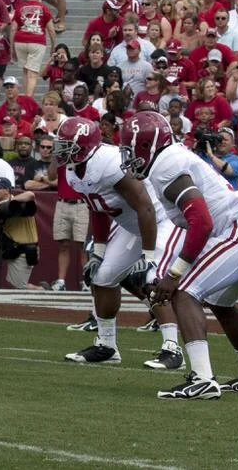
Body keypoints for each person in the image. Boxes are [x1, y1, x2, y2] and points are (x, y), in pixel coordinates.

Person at [122, 111, 238, 399]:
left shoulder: (165, 165)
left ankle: (202, 378)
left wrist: (173, 276)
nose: (128, 156)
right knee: (221, 301)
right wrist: (169, 270)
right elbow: (195, 227)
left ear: (146, 146)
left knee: (184, 292)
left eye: (131, 148)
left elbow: (202, 222)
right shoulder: (173, 158)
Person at [54, 118, 184, 371]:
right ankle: (107, 345)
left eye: (67, 145)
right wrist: (98, 251)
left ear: (84, 145)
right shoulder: (74, 170)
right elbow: (98, 209)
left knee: (151, 277)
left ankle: (173, 349)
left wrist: (147, 256)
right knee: (102, 276)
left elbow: (145, 206)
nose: (61, 150)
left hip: (160, 221)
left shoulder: (109, 161)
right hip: (132, 225)